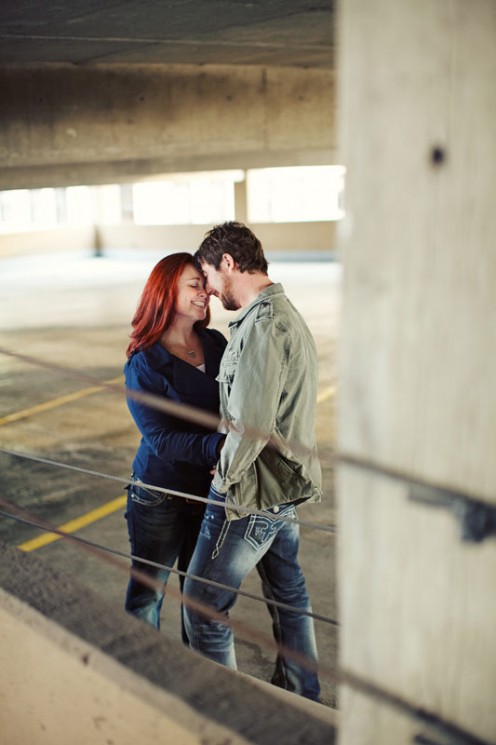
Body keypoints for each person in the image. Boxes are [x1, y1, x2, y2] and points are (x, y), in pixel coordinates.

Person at [183, 222, 322, 701]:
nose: (208, 289)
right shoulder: (282, 314)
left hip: (253, 492)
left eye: (207, 275)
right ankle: (302, 697)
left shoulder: (264, 326)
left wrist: (222, 484)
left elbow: (250, 425)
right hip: (283, 488)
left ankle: (228, 714)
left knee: (202, 605)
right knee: (289, 593)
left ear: (227, 263)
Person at [124, 252, 227, 636]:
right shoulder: (145, 362)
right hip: (160, 495)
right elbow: (162, 440)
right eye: (194, 285)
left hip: (209, 494)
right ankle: (141, 668)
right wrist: (221, 448)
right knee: (147, 595)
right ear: (167, 291)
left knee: (198, 599)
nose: (205, 293)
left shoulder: (215, 343)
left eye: (205, 285)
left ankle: (192, 669)